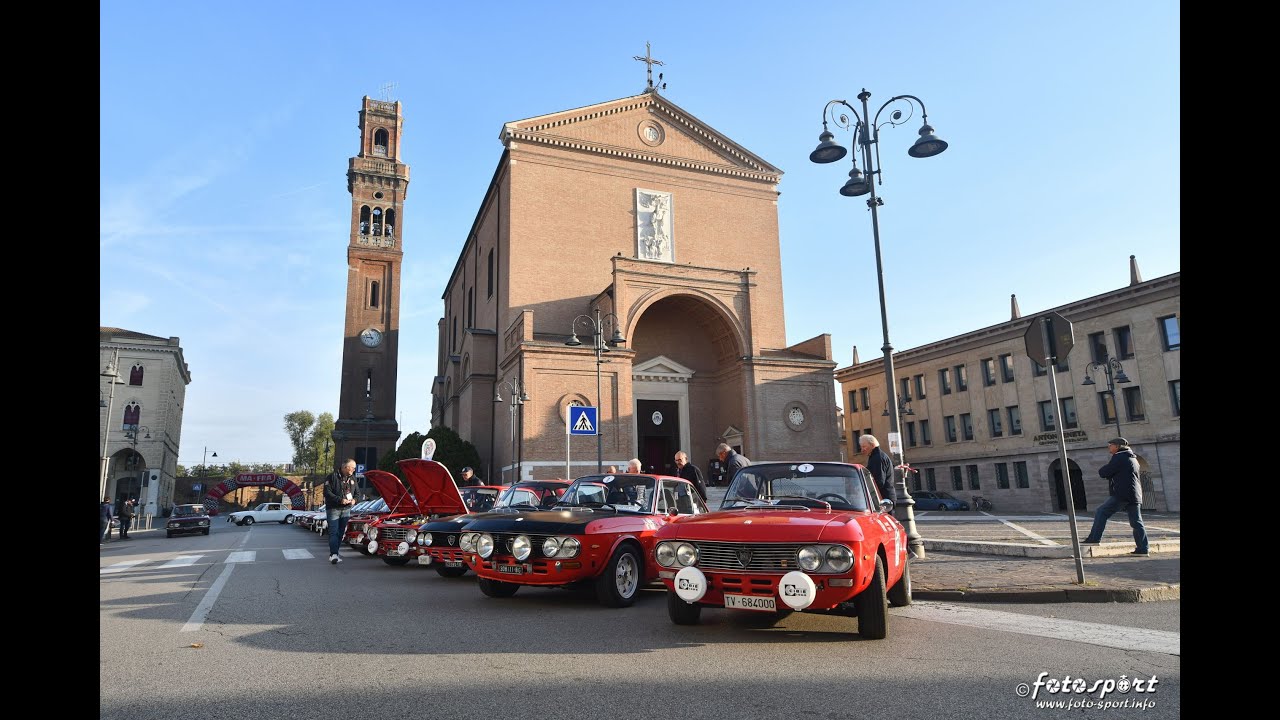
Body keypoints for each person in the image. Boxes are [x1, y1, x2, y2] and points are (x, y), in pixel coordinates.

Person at [1082, 438, 1149, 556]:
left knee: (1101, 512)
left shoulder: (1119, 457)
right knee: (1136, 522)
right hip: (1134, 494)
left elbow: (1104, 472)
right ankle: (1143, 549)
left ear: (1117, 446)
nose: (1109, 447)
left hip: (1122, 494)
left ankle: (1094, 539)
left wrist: (1107, 471)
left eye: (1110, 445)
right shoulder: (1132, 457)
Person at [323, 459, 359, 564]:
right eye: (352, 468)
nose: (354, 470)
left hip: (346, 509)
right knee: (333, 532)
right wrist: (340, 500)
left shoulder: (353, 478)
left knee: (341, 533)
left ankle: (335, 554)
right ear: (345, 467)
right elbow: (327, 493)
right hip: (333, 509)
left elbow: (358, 494)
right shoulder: (332, 477)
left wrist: (354, 500)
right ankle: (333, 554)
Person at [858, 435, 896, 505]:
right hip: (885, 498)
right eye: (861, 447)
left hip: (883, 499)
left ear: (872, 445)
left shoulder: (877, 458)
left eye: (864, 446)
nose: (862, 450)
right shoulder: (877, 456)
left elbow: (879, 481)